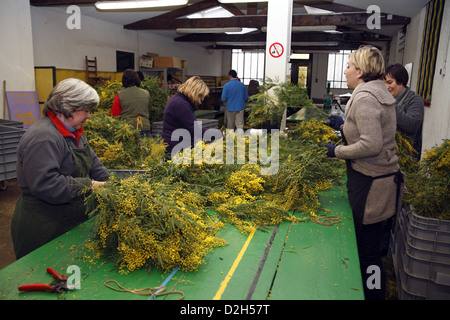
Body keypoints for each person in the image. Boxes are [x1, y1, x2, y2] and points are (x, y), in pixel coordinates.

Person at [324, 46, 405, 300]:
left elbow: (371, 145)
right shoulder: (376, 92)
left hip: (372, 183)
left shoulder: (365, 97)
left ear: (360, 72)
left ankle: (373, 295)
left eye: (348, 65)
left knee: (368, 250)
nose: (345, 70)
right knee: (368, 246)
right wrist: (344, 128)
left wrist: (335, 151)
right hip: (378, 179)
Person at [11, 78, 110, 260]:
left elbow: (94, 164)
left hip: (68, 221)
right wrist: (91, 185)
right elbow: (48, 185)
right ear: (68, 108)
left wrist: (114, 186)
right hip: (44, 228)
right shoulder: (43, 138)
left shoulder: (74, 133)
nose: (89, 116)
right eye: (86, 110)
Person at [162, 76, 217, 156]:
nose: (200, 101)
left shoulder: (179, 100)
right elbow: (195, 130)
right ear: (194, 92)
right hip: (176, 148)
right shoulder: (181, 104)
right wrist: (218, 134)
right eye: (200, 96)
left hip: (177, 145)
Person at [383, 63, 424, 159]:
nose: (386, 87)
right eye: (384, 83)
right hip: (389, 155)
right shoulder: (389, 98)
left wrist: (391, 107)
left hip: (407, 156)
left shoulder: (414, 99)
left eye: (389, 82)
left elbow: (413, 124)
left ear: (401, 81)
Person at [111, 69, 151, 137]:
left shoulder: (120, 94)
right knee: (146, 147)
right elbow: (147, 108)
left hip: (128, 129)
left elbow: (114, 114)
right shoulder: (146, 93)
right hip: (145, 126)